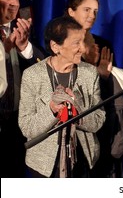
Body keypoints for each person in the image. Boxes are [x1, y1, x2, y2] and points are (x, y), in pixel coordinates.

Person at [18, 16, 106, 177]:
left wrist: (78, 110)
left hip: (83, 161)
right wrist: (51, 110)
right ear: (55, 46)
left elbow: (99, 120)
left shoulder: (89, 73)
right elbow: (27, 127)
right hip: (43, 165)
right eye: (76, 43)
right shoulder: (32, 75)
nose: (83, 48)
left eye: (83, 41)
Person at [64, 0, 123, 178]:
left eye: (95, 11)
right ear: (71, 12)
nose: (92, 16)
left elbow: (109, 92)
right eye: (87, 10)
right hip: (70, 124)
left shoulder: (103, 44)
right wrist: (91, 69)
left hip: (100, 123)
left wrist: (102, 76)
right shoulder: (59, 42)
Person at [0, 0, 45, 177]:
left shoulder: (23, 28)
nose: (15, 3)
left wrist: (24, 47)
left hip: (15, 127)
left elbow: (42, 68)